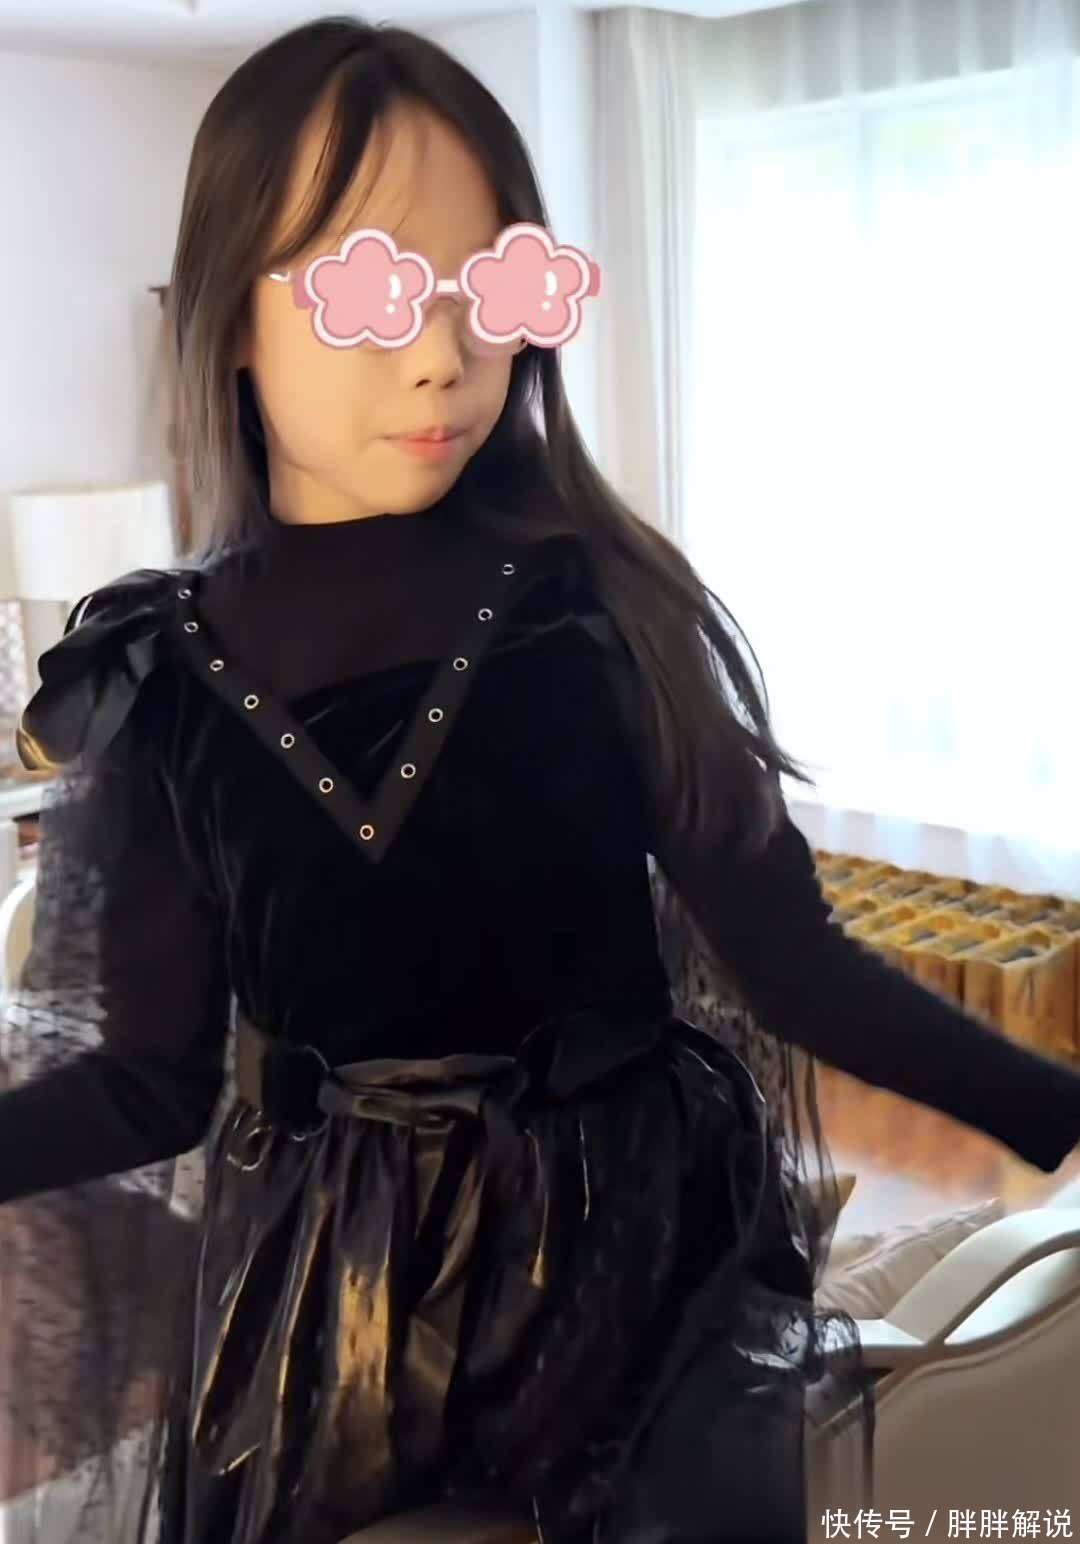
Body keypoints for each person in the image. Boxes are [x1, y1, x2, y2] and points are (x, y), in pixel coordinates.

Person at [1, 17, 1078, 1544]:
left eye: (490, 285)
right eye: (368, 288)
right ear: (228, 316)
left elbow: (793, 964)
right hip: (334, 1301)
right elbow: (146, 1081)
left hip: (633, 1266)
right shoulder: (155, 674)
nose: (443, 354)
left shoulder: (604, 607)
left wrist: (1056, 1105)